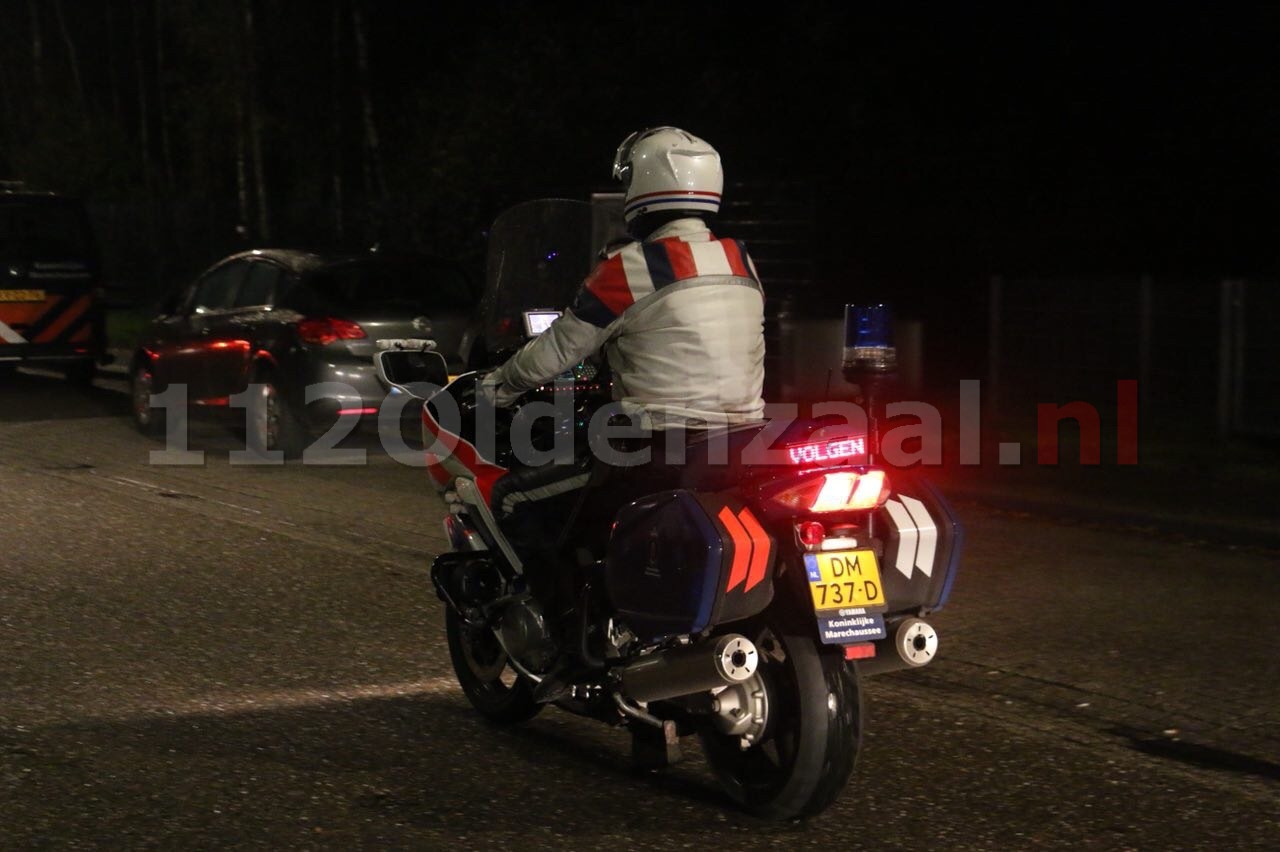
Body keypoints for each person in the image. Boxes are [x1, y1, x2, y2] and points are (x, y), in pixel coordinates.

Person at [478, 127, 768, 696]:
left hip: (656, 449)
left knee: (514, 498)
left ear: (643, 185)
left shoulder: (635, 268)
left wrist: (499, 386)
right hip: (743, 442)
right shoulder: (741, 258)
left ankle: (571, 652)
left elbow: (560, 349)